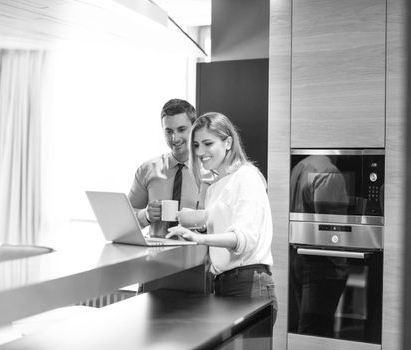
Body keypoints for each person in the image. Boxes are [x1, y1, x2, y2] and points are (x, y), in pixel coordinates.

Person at [166, 112, 277, 322]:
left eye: (208, 143)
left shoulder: (246, 176)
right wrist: (199, 223)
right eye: (197, 145)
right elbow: (226, 222)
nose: (200, 151)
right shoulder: (215, 186)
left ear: (228, 142)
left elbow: (243, 239)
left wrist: (200, 238)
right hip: (224, 282)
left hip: (248, 283)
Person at [289, 155, 349, 336]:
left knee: (308, 330)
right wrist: (340, 265)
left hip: (297, 257)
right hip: (321, 264)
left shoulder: (299, 166)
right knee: (316, 332)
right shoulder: (329, 171)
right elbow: (330, 230)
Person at [128, 99, 204, 238]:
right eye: (169, 131)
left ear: (194, 128)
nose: (175, 138)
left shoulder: (210, 171)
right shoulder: (147, 170)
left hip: (196, 256)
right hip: (156, 255)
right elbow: (125, 219)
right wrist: (145, 215)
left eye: (181, 129)